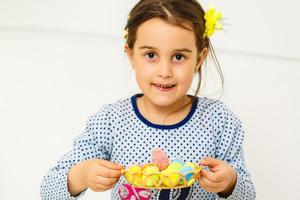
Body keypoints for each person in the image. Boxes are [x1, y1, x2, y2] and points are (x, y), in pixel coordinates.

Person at [40, 0, 256, 199]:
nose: (165, 71)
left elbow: (248, 195)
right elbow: (48, 191)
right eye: (151, 55)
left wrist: (230, 182)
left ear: (199, 59)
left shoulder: (219, 120)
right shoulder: (111, 121)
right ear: (131, 54)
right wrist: (81, 175)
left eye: (179, 57)